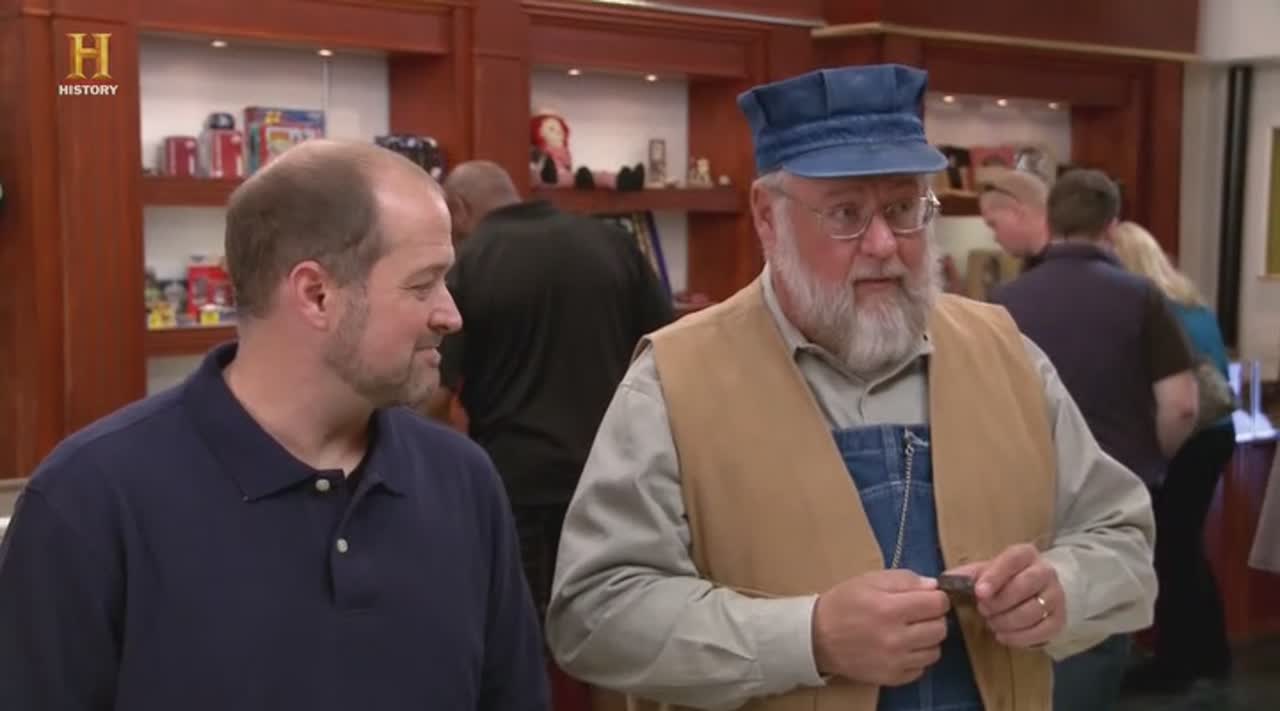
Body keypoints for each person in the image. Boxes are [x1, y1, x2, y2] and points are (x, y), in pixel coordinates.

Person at [546, 64, 1157, 711]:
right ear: (767, 217)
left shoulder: (1008, 356)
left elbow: (1123, 543)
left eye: (902, 209)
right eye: (845, 214)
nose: (883, 243)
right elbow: (593, 616)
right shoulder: (674, 381)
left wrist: (1061, 588)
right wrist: (807, 637)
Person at [0, 140, 549, 711]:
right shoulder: (88, 502)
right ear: (316, 295)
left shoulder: (463, 480)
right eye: (422, 284)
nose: (451, 314)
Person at [426, 160, 674, 622]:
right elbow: (668, 353)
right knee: (610, 623)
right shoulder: (612, 242)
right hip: (613, 475)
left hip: (515, 486)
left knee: (520, 629)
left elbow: (433, 394)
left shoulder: (470, 263)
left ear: (458, 208)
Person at [990, 170, 1199, 710]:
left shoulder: (1001, 303)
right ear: (1111, 225)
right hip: (1113, 507)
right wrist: (1151, 463)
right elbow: (1182, 403)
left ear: (1051, 219)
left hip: (1021, 504)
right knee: (1095, 648)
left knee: (1016, 653)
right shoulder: (1140, 296)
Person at [1111, 220, 1235, 693]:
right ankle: (1210, 655)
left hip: (1183, 439)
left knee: (1170, 551)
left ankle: (1176, 663)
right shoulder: (1193, 304)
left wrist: (1155, 454)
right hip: (1215, 435)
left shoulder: (1154, 313)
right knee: (1186, 548)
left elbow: (1169, 399)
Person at [979, 167, 1051, 272]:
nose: (995, 238)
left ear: (1017, 212)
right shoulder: (1035, 266)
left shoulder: (1057, 272)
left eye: (994, 224)